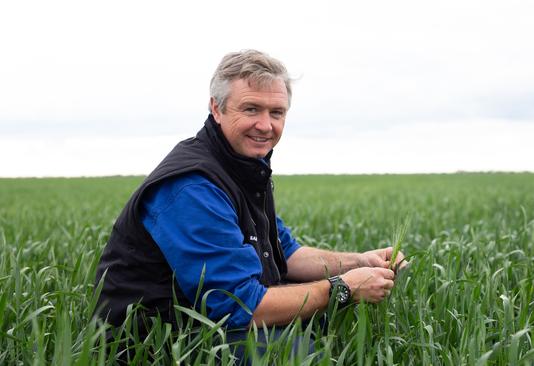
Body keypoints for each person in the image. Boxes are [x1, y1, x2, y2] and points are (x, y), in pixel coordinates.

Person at [94, 49, 406, 356]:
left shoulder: (241, 167)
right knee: (295, 351)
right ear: (217, 109)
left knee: (320, 320)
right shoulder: (192, 187)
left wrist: (359, 262)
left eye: (276, 113)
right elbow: (238, 304)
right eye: (251, 109)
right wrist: (343, 288)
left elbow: (286, 253)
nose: (265, 125)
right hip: (157, 342)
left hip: (206, 322)